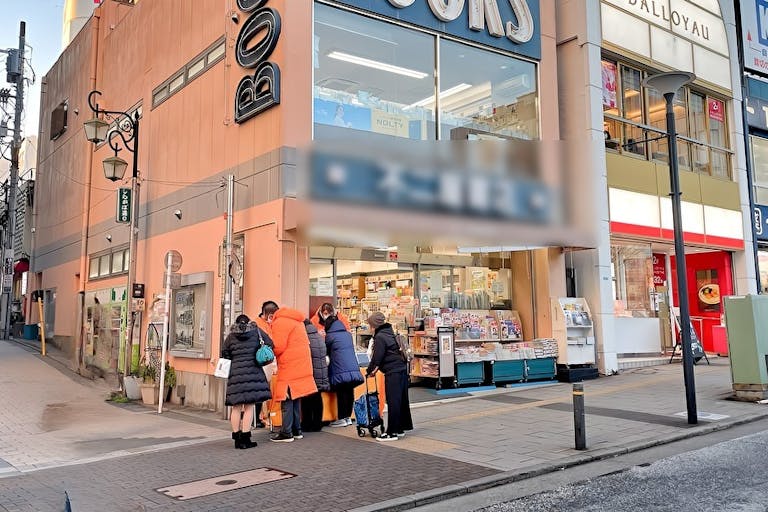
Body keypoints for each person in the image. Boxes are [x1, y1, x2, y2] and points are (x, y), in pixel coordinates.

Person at [267, 302, 318, 442]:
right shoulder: (296, 321)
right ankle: (297, 430)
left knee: (287, 399)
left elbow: (278, 347)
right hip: (301, 365)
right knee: (295, 399)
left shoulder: (280, 322)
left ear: (271, 315)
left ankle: (286, 432)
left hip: (290, 365)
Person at [220, 314, 272, 449]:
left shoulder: (231, 336)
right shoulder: (256, 332)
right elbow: (271, 344)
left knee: (236, 407)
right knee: (249, 407)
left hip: (236, 374)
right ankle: (246, 438)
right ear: (249, 323)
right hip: (253, 373)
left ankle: (237, 439)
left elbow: (224, 353)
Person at [366, 312, 412, 441]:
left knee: (393, 401)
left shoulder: (380, 337)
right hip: (402, 369)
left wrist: (369, 371)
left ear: (374, 325)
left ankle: (392, 432)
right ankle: (401, 428)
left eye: (370, 325)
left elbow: (377, 358)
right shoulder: (389, 332)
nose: (370, 328)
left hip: (393, 372)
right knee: (401, 400)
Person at [324, 312, 364, 427]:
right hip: (352, 367)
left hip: (340, 368)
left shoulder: (330, 337)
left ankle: (341, 418)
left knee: (341, 393)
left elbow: (325, 352)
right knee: (349, 391)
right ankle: (348, 417)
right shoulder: (347, 334)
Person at [252, 301, 278, 428]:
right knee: (260, 390)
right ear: (268, 314)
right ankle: (256, 418)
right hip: (262, 362)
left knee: (263, 390)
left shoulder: (266, 324)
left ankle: (259, 417)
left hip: (267, 361)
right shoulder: (257, 325)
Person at [302, 318, 330, 432]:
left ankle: (307, 423)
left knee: (307, 400)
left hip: (311, 373)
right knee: (317, 399)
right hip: (321, 373)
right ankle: (317, 423)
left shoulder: (305, 339)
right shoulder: (319, 337)